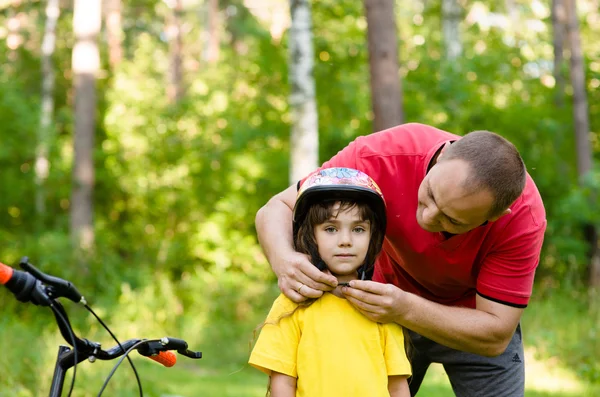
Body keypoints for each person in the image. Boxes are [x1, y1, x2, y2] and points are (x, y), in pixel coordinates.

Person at [255, 123, 547, 397]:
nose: (428, 217)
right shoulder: (383, 155)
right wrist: (285, 261)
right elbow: (276, 208)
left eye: (451, 220)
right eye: (430, 194)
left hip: (468, 325)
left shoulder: (523, 218)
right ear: (443, 154)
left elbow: (495, 334)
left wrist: (404, 308)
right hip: (380, 303)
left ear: (495, 217)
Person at [249, 167, 412, 397]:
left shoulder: (380, 306)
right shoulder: (293, 304)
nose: (345, 240)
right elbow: (283, 383)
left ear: (372, 236)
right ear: (310, 235)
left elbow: (396, 385)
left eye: (358, 229)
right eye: (330, 229)